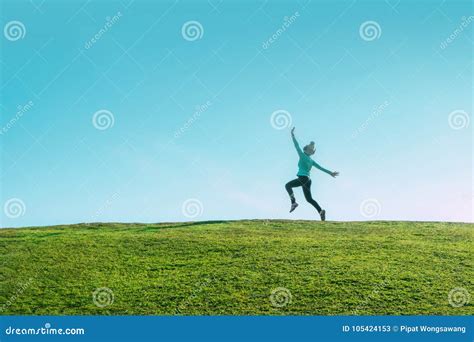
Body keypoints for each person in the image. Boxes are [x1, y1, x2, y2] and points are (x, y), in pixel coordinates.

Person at [285, 127, 339, 221]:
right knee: (309, 199)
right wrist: (330, 173)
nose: (308, 150)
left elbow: (296, 145)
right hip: (308, 180)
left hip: (303, 179)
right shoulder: (311, 161)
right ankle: (321, 211)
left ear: (306, 150)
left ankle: (293, 202)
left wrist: (292, 135)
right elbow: (320, 168)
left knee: (287, 185)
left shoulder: (302, 155)